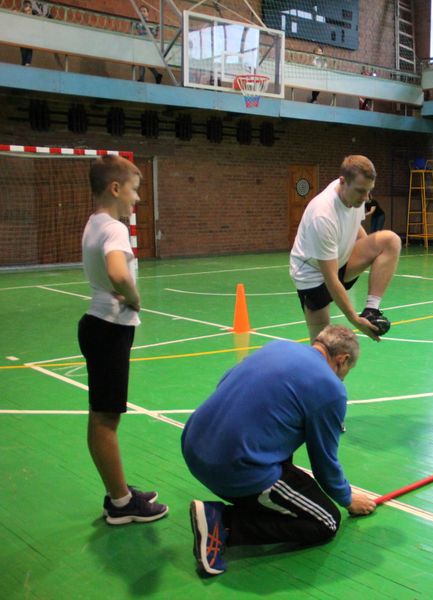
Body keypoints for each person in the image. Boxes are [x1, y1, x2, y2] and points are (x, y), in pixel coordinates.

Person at [182, 327, 376, 576]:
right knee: (325, 521)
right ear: (342, 360)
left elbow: (225, 382)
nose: (344, 377)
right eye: (348, 371)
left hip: (194, 446)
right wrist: (347, 499)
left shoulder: (278, 346)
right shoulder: (330, 388)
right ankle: (223, 523)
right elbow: (324, 463)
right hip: (232, 467)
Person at [79, 155, 168, 525]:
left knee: (101, 416)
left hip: (98, 326)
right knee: (105, 420)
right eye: (134, 190)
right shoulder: (114, 228)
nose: (138, 199)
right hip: (109, 328)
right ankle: (120, 503)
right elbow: (117, 271)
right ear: (115, 189)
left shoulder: (94, 223)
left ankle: (119, 490)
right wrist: (133, 298)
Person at [290, 155, 400, 342]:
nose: (365, 198)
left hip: (342, 260)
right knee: (323, 345)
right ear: (343, 182)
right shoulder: (323, 215)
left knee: (391, 241)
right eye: (361, 191)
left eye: (369, 191)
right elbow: (331, 279)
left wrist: (371, 255)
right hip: (314, 277)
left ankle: (371, 309)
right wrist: (354, 319)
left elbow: (354, 223)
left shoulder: (353, 192)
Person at [133, 6, 163, 84]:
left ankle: (143, 78)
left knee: (143, 60)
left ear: (147, 13)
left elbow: (154, 35)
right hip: (141, 43)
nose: (142, 13)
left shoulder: (151, 24)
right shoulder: (137, 23)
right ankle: (156, 75)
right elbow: (136, 31)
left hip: (148, 44)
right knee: (143, 60)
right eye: (141, 11)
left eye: (144, 11)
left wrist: (157, 29)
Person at [20, 1, 34, 66]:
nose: (28, 12)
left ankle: (27, 64)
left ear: (31, 9)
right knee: (24, 55)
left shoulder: (34, 18)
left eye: (29, 10)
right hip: (23, 38)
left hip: (30, 39)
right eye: (26, 11)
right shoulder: (22, 17)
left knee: (29, 53)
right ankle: (24, 65)